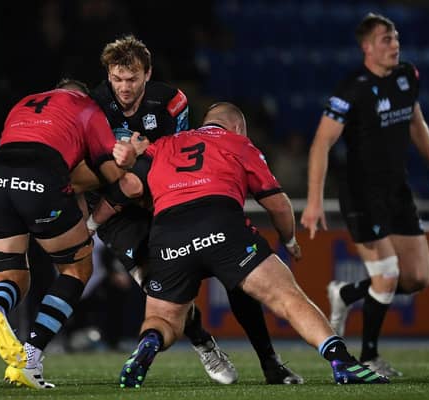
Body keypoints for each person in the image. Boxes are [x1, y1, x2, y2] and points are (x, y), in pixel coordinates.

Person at [112, 102, 388, 387]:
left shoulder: (165, 144)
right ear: (238, 127)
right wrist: (288, 239)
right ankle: (341, 361)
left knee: (164, 319)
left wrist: (132, 154)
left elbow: (131, 185)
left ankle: (150, 343)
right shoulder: (239, 144)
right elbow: (278, 205)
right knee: (287, 298)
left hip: (168, 233)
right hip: (220, 223)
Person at [81, 34, 303, 384]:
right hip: (119, 208)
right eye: (117, 79)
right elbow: (87, 167)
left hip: (166, 200)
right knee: (159, 288)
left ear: (148, 74)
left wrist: (140, 161)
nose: (124, 87)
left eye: (133, 79)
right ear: (107, 75)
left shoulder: (171, 102)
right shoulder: (91, 107)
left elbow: (182, 154)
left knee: (237, 277)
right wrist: (97, 209)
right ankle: (203, 342)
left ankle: (268, 360)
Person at [300, 13, 429, 377]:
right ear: (367, 47)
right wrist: (315, 199)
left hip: (396, 189)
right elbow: (322, 142)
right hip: (361, 192)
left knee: (416, 277)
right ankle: (369, 355)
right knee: (386, 274)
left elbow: (416, 121)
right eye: (386, 38)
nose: (395, 44)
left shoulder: (406, 76)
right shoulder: (352, 88)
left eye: (396, 36)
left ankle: (348, 293)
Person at [0, 83, 137, 389]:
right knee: (78, 268)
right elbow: (114, 177)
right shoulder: (88, 108)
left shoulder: (24, 101)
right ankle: (32, 355)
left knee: (12, 278)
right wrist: (130, 160)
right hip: (40, 174)